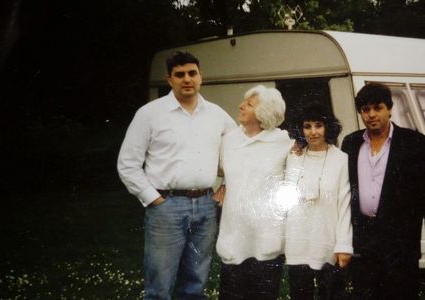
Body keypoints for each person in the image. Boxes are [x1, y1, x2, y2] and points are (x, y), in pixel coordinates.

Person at [117, 51, 236, 300]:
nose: (187, 79)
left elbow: (240, 151)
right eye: (179, 74)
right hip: (166, 207)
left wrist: (227, 184)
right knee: (159, 285)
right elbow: (127, 164)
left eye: (192, 73)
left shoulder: (217, 115)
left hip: (206, 205)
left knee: (195, 284)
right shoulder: (149, 114)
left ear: (201, 76)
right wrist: (153, 198)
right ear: (169, 79)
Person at [341, 83, 425, 300]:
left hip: (400, 246)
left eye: (377, 108)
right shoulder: (351, 143)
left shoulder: (416, 144)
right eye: (365, 109)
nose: (371, 115)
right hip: (363, 244)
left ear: (389, 108)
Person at [215, 85, 293, 300]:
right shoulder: (229, 141)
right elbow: (221, 171)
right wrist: (222, 185)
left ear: (264, 113)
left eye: (249, 104)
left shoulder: (284, 143)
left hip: (267, 241)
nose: (241, 105)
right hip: (234, 239)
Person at [283, 104, 353, 300]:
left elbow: (344, 205)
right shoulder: (292, 156)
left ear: (327, 127)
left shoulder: (341, 160)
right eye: (307, 126)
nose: (313, 132)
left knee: (331, 294)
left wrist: (344, 245)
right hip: (298, 242)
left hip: (327, 241)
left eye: (318, 125)